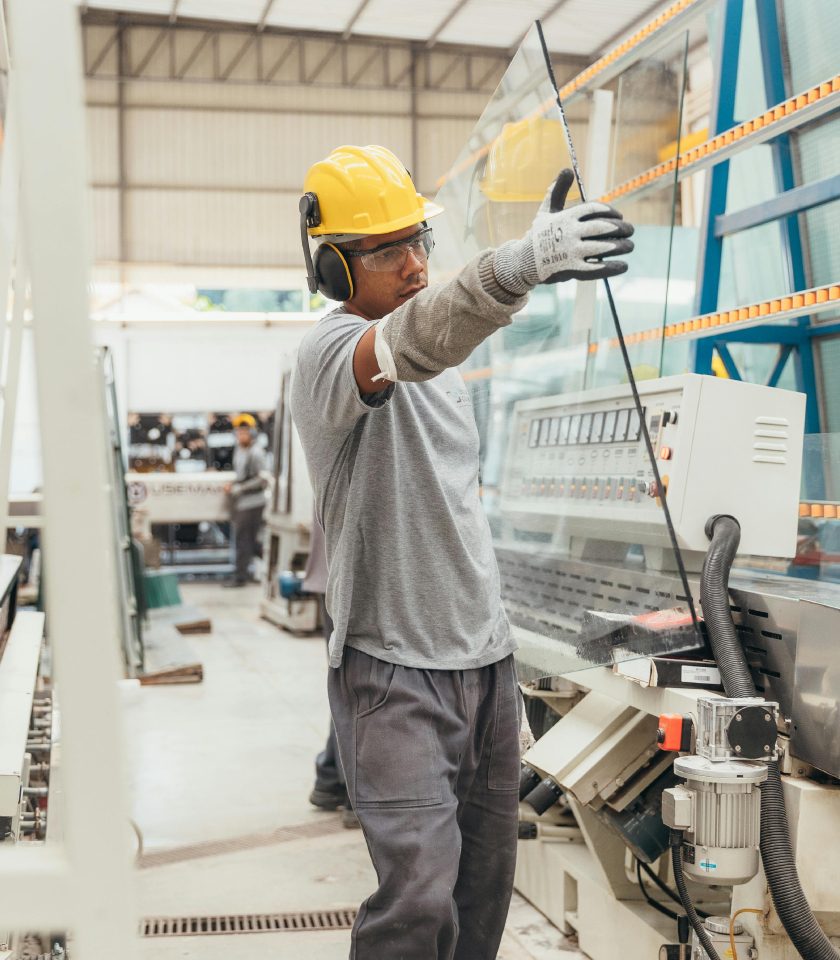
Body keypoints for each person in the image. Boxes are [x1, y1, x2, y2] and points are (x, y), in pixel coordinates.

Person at [290, 144, 633, 959]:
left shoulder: (439, 366)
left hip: (486, 666)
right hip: (395, 674)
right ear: (336, 268)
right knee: (416, 902)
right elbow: (409, 340)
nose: (413, 264)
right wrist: (520, 263)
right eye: (385, 250)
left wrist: (533, 269)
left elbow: (438, 335)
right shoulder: (333, 357)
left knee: (481, 897)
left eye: (420, 242)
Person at [303, 507, 360, 828]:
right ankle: (357, 794)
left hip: (335, 575)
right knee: (362, 687)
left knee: (348, 684)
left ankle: (330, 777)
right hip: (354, 579)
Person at [223, 414, 267, 587]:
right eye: (239, 433)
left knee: (244, 540)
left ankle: (240, 577)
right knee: (249, 541)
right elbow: (241, 475)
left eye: (245, 433)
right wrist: (233, 484)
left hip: (252, 503)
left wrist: (239, 488)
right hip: (242, 502)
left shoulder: (257, 453)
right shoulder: (239, 450)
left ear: (253, 433)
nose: (242, 436)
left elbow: (262, 479)